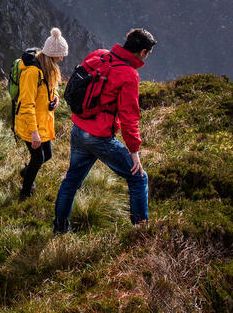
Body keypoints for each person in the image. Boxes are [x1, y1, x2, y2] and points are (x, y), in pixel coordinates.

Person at [53, 28, 156, 231]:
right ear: (143, 52)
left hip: (79, 128)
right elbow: (129, 118)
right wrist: (134, 152)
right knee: (138, 178)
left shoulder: (98, 55)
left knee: (71, 180)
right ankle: (141, 232)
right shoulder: (129, 75)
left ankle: (60, 228)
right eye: (148, 54)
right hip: (99, 136)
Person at [14, 27, 69, 200]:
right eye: (60, 56)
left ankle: (26, 171)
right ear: (52, 55)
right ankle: (25, 193)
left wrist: (56, 98)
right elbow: (26, 104)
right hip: (31, 125)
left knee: (48, 155)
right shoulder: (32, 73)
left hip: (42, 122)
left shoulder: (47, 69)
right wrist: (34, 132)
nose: (61, 59)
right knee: (38, 159)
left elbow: (49, 90)